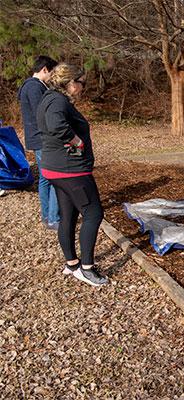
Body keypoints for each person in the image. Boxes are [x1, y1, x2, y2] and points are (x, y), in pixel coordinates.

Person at [36, 63, 108, 286]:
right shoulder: (58, 101)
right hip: (70, 170)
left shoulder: (49, 98)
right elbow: (56, 126)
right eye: (81, 82)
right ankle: (87, 268)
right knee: (94, 213)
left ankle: (71, 264)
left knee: (68, 216)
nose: (83, 87)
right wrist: (76, 141)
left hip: (55, 168)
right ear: (71, 83)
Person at [17, 55, 60, 230]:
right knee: (54, 177)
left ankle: (47, 215)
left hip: (37, 137)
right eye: (52, 73)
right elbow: (42, 113)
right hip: (42, 138)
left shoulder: (31, 86)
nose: (53, 77)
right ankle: (53, 218)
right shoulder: (34, 87)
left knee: (45, 178)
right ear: (44, 70)